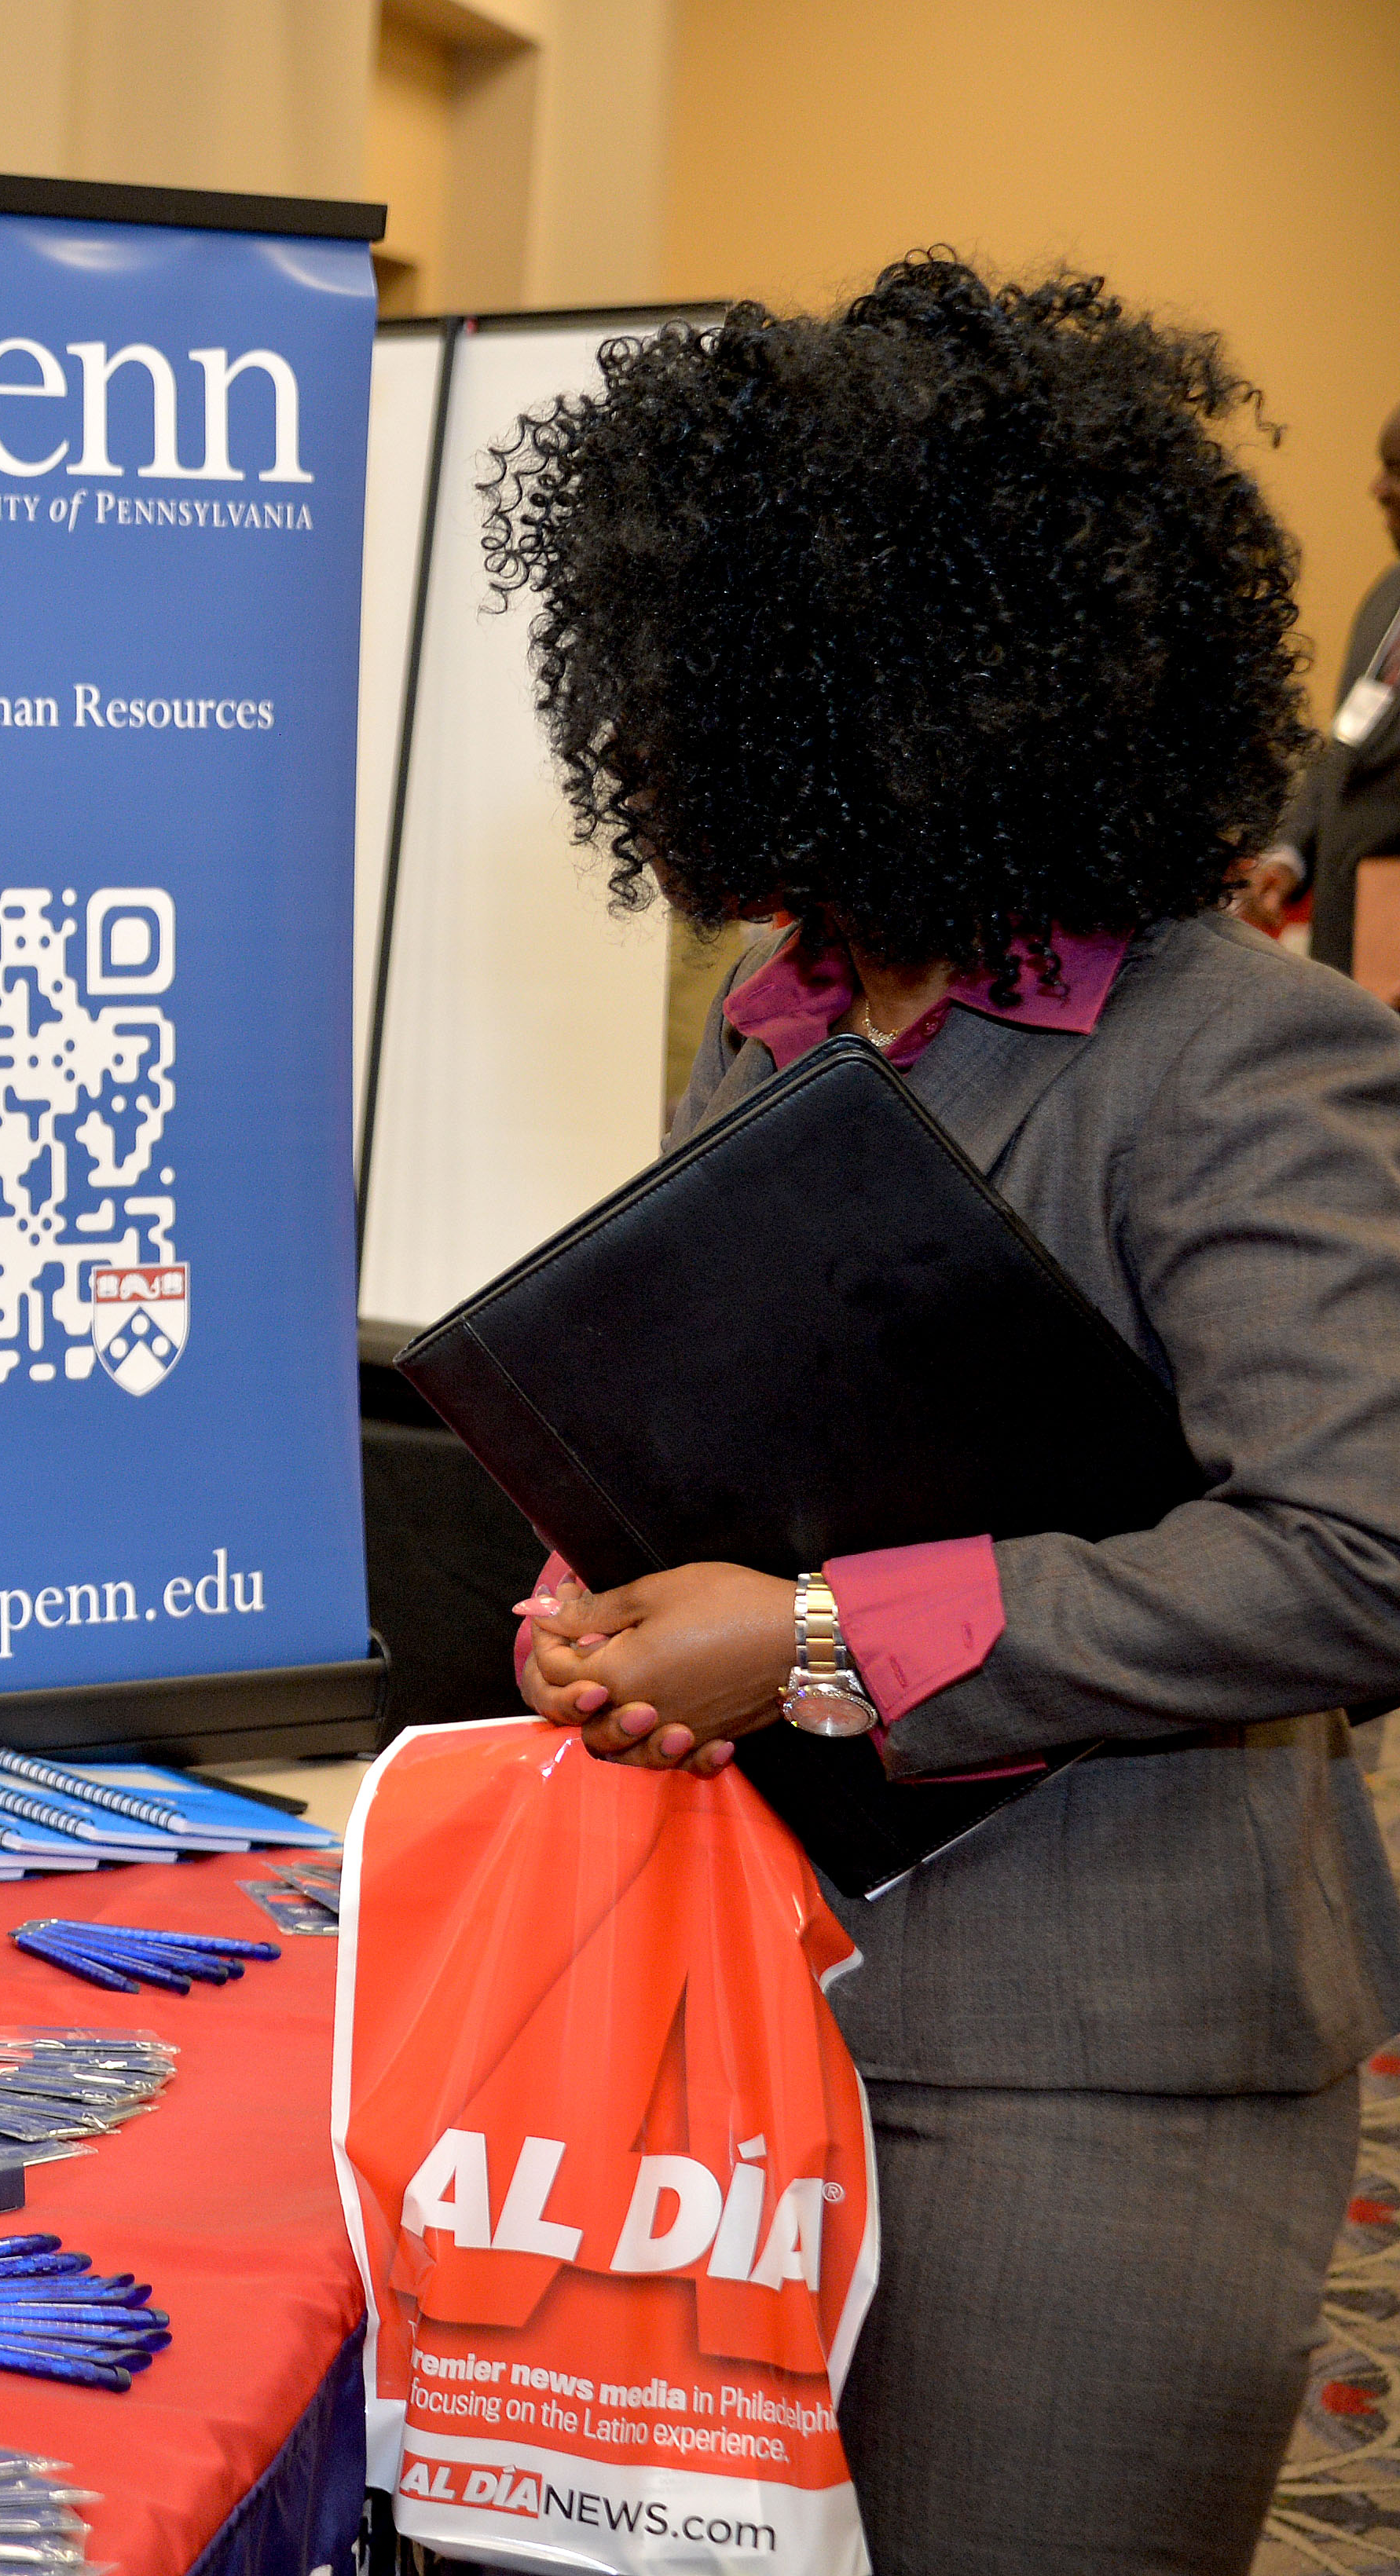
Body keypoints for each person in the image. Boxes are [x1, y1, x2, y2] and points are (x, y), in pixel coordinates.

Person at [492, 258, 1400, 2571]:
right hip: (739, 2021)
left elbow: (1354, 1550)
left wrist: (801, 1637)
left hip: (1096, 2072)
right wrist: (596, 1596)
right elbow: (708, 1390)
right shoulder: (771, 1010)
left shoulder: (1235, 1053)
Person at [1239, 401, 1400, 972]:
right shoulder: (1388, 594)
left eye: (1396, 467)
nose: (1378, 489)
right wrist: (1288, 855)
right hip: (1349, 946)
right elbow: (1346, 745)